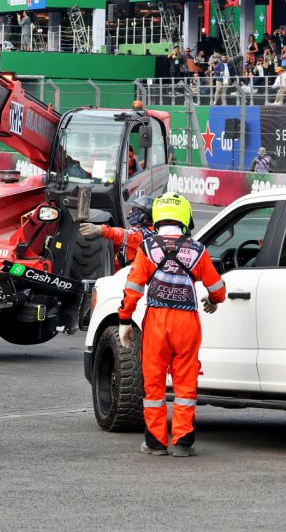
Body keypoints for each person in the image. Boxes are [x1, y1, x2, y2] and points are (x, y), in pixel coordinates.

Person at [119, 192, 225, 457]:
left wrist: (124, 320)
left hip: (156, 320)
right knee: (185, 384)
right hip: (187, 322)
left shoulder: (147, 248)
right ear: (185, 217)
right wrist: (212, 300)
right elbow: (218, 290)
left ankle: (155, 443)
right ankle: (183, 443)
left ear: (158, 217)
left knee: (153, 384)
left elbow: (132, 287)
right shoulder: (197, 250)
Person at [78, 195, 154, 269]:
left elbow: (124, 235)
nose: (130, 212)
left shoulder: (144, 234)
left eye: (134, 210)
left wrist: (101, 229)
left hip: (136, 276)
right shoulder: (146, 231)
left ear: (143, 216)